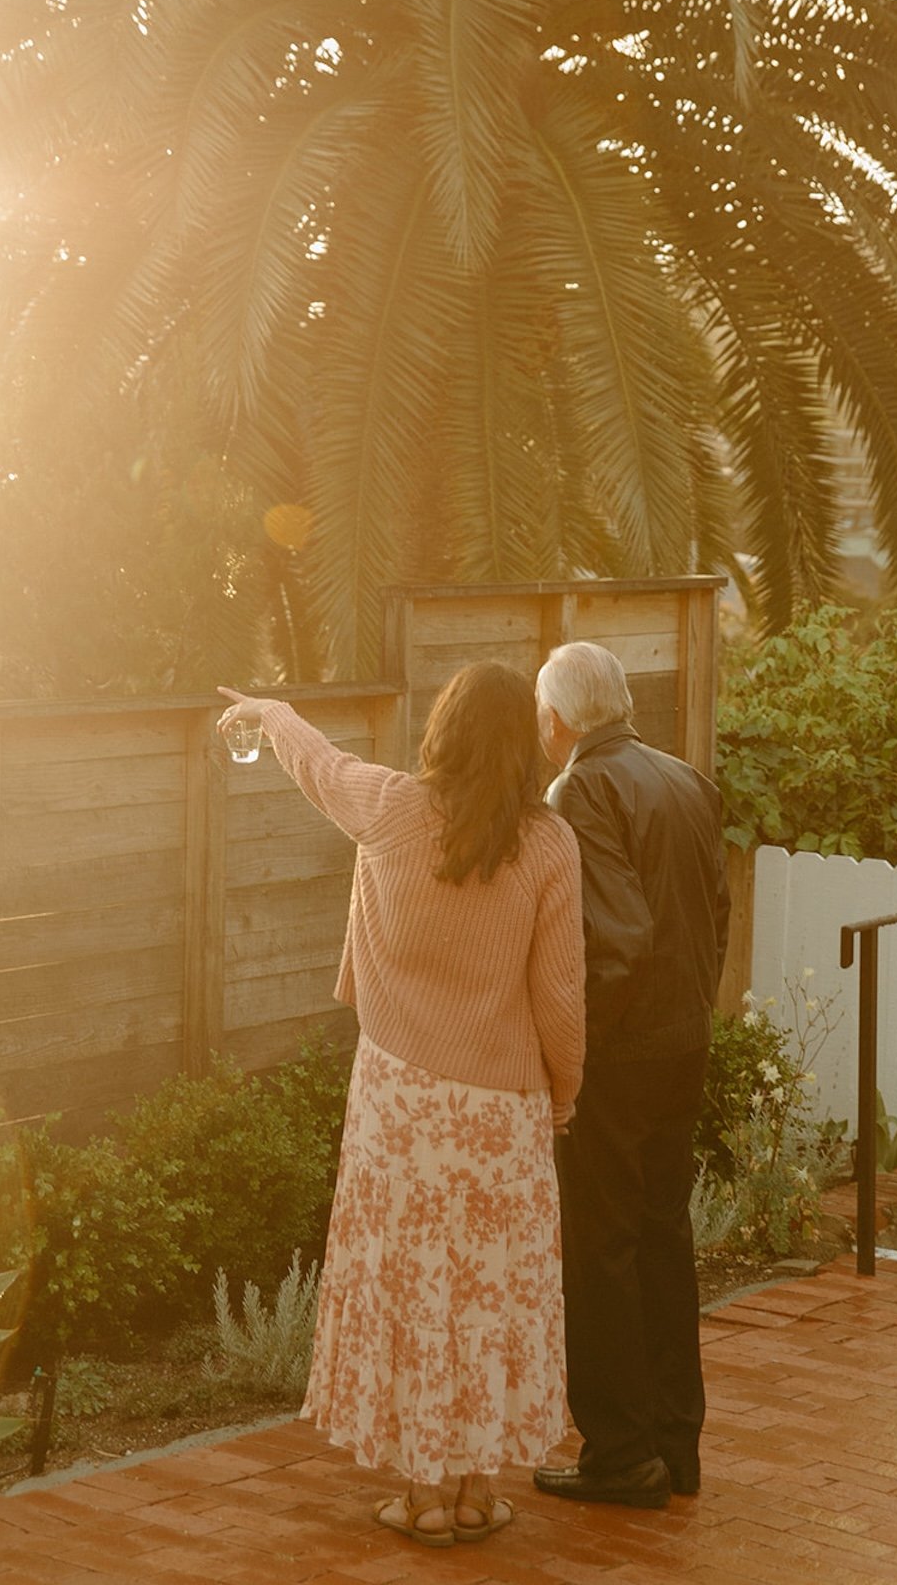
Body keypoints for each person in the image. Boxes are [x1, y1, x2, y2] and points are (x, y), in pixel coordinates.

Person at [217, 663, 586, 1548]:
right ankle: (471, 1491)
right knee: (486, 1296)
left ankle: (422, 1496)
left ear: (442, 730)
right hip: (503, 1115)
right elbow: (561, 997)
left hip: (401, 1109)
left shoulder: (388, 808)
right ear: (528, 743)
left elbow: (316, 764)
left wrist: (273, 711)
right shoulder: (550, 846)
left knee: (419, 1294)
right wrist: (563, 1097)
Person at [530, 641, 729, 1510]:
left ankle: (619, 1454)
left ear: (559, 720)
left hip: (621, 1054)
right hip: (684, 1043)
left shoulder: (578, 789)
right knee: (662, 1240)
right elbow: (716, 914)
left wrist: (574, 1062)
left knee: (602, 1253)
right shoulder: (685, 778)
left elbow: (614, 943)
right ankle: (675, 1447)